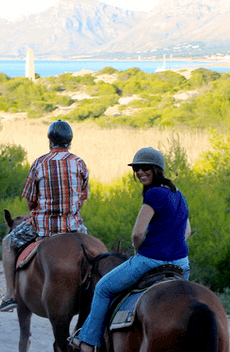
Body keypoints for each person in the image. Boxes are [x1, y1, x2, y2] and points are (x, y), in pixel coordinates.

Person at [69, 147, 191, 352]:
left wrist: (138, 251)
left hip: (151, 260)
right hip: (182, 264)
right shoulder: (179, 195)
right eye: (137, 169)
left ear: (156, 169)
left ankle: (88, 342)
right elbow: (186, 232)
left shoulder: (154, 194)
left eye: (145, 168)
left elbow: (137, 234)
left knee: (103, 288)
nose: (140, 172)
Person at [0, 120, 90, 312]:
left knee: (8, 242)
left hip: (42, 226)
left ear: (50, 142)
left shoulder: (39, 163)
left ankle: (10, 295)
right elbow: (82, 199)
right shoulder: (80, 163)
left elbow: (31, 202)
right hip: (73, 226)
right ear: (70, 142)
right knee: (92, 248)